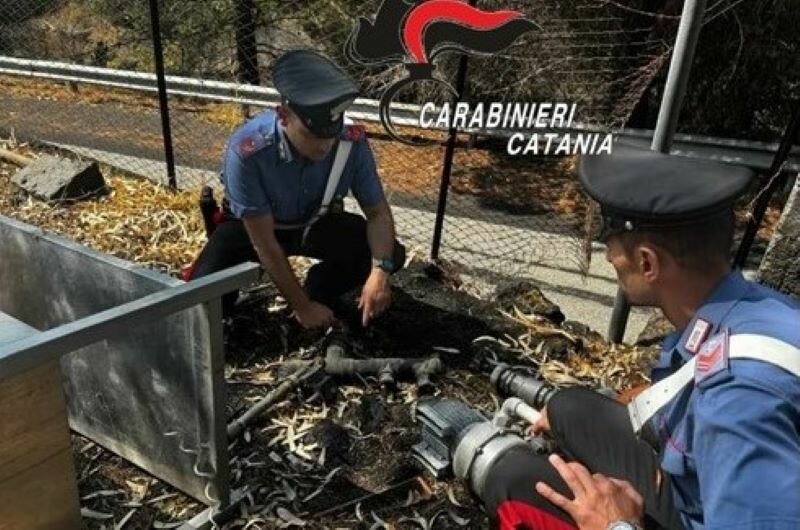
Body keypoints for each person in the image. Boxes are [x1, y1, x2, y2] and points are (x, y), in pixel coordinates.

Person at [481, 143, 800, 530]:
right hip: (698, 491)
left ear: (647, 263)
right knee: (569, 407)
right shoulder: (757, 310)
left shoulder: (737, 406)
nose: (608, 258)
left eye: (612, 246)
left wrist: (615, 525)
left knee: (512, 478)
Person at [185, 49, 405, 329]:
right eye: (312, 136)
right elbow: (264, 243)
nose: (325, 146)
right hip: (252, 229)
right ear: (284, 116)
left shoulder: (351, 143)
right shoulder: (248, 151)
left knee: (390, 253)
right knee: (201, 308)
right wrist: (302, 307)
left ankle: (321, 287)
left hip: (314, 222)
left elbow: (377, 214)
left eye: (331, 135)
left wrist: (379, 272)